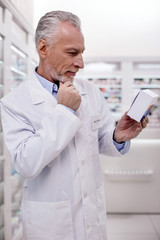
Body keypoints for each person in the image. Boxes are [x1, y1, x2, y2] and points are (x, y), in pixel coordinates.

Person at [0, 11, 148, 240]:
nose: (81, 63)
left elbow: (97, 141)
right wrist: (64, 111)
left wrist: (118, 136)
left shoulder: (89, 92)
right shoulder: (15, 103)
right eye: (72, 53)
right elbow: (26, 164)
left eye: (82, 53)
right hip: (51, 224)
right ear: (43, 48)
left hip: (92, 213)